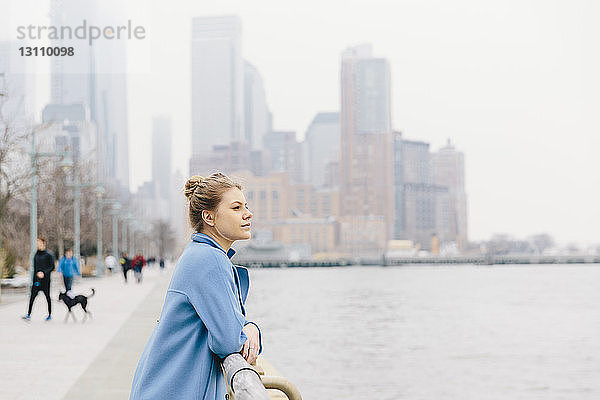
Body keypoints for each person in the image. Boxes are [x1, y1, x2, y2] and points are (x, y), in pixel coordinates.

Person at [130, 173, 262, 400]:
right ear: (209, 217)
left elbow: (224, 324)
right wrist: (249, 329)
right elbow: (229, 341)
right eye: (236, 208)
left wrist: (248, 325)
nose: (248, 214)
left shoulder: (198, 253)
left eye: (246, 206)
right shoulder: (210, 259)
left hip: (163, 388)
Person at [22, 237, 55, 321]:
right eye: (36, 243)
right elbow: (35, 268)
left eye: (39, 243)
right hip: (36, 281)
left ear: (44, 244)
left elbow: (52, 267)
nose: (37, 244)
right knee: (32, 297)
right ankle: (28, 314)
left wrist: (44, 273)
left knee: (47, 297)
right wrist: (34, 279)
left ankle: (49, 314)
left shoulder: (49, 254)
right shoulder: (35, 254)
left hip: (45, 281)